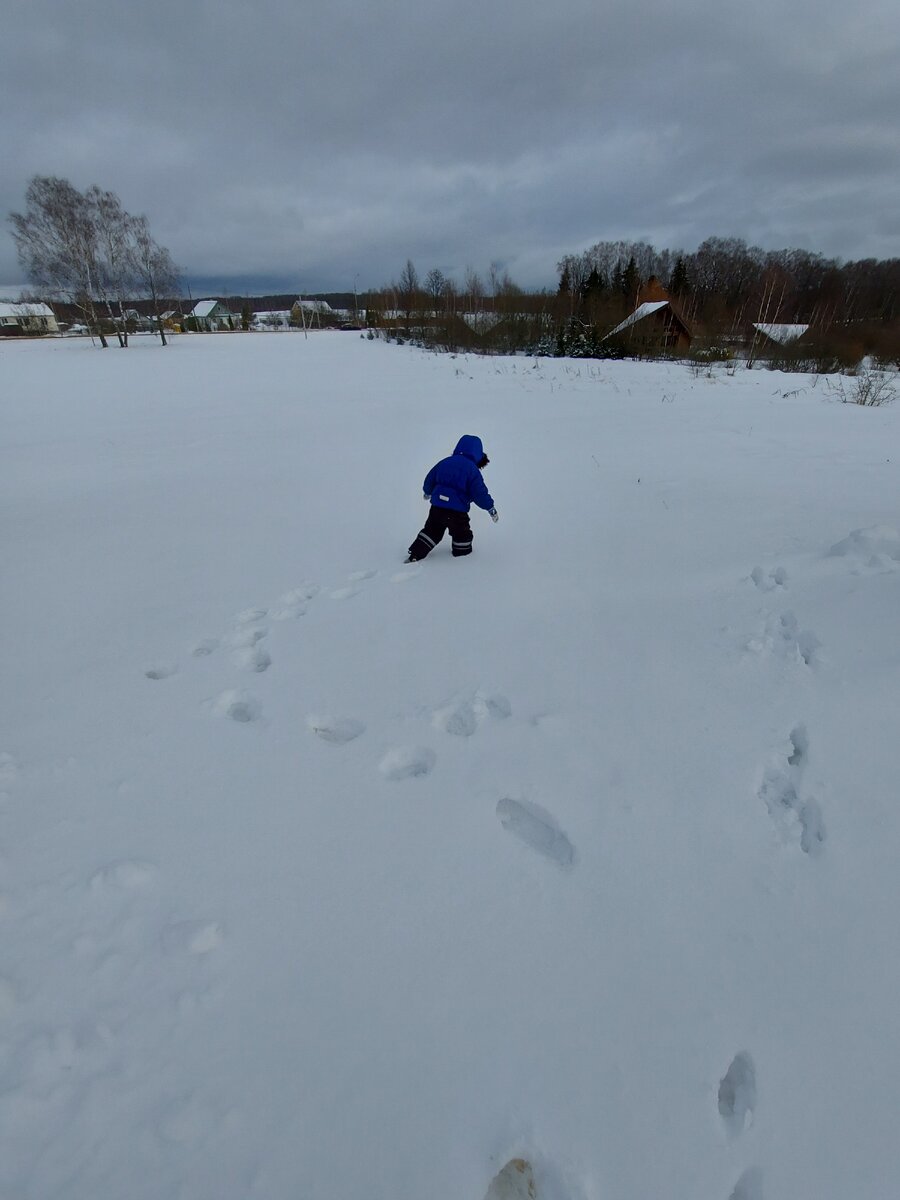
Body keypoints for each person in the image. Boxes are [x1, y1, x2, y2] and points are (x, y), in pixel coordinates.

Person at [406, 435, 499, 562]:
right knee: (461, 533)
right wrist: (490, 507)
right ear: (478, 453)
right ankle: (462, 557)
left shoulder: (445, 462)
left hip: (438, 507)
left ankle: (416, 553)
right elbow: (479, 493)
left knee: (432, 530)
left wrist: (427, 492)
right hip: (457, 511)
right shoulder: (472, 470)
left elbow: (430, 479)